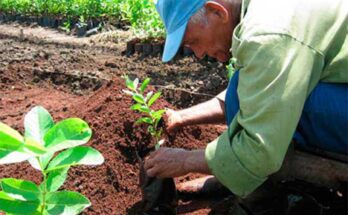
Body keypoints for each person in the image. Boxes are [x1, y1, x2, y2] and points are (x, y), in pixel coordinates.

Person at [144, 0, 348, 197]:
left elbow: (259, 146)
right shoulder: (262, 12)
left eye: (193, 42)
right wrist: (182, 117)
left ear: (217, 12)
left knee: (265, 120)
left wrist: (185, 161)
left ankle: (262, 189)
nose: (198, 54)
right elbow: (260, 88)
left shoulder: (268, 34)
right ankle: (238, 173)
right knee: (241, 89)